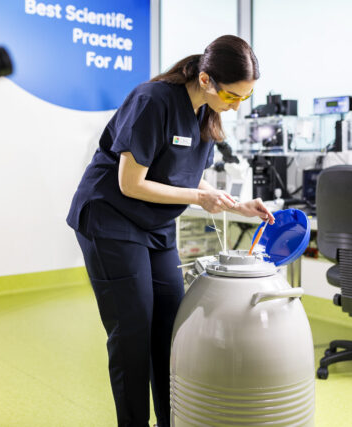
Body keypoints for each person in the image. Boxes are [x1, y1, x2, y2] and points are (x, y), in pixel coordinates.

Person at [66, 34, 275, 427]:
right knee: (132, 334)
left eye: (244, 99)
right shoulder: (153, 101)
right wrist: (197, 199)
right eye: (233, 96)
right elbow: (131, 183)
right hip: (111, 218)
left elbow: (187, 177)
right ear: (207, 79)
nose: (235, 107)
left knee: (170, 328)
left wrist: (238, 206)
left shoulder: (205, 114)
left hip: (156, 225)